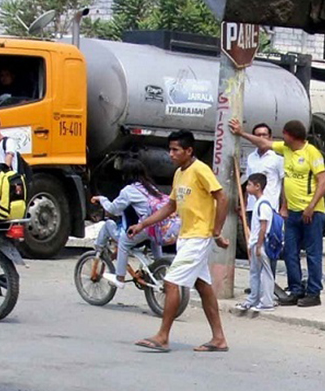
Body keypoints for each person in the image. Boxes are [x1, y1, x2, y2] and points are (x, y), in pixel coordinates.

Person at [128, 130, 230, 353]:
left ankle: (163, 336)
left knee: (171, 282)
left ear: (189, 151)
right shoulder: (179, 173)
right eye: (170, 149)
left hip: (198, 237)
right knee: (203, 287)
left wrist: (216, 230)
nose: (171, 154)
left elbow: (222, 197)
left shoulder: (200, 169)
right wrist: (143, 224)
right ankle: (219, 338)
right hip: (186, 236)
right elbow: (170, 206)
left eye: (175, 150)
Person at [231, 117, 325, 307]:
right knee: (290, 252)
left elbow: (323, 182)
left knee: (312, 253)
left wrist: (310, 207)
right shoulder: (285, 149)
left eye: (285, 135)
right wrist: (241, 133)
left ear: (292, 136)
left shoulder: (312, 153)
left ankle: (314, 292)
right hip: (292, 212)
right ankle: (295, 289)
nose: (282, 138)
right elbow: (263, 142)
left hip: (312, 212)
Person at [91, 157, 165, 288]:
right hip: (158, 226)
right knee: (154, 238)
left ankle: (119, 278)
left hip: (144, 227)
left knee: (122, 241)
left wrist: (102, 199)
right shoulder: (150, 188)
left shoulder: (129, 190)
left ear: (126, 175)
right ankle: (160, 269)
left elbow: (113, 209)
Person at [236, 173, 276, 314]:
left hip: (261, 244)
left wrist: (259, 245)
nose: (247, 188)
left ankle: (266, 301)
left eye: (249, 185)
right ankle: (253, 298)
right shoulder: (259, 203)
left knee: (265, 272)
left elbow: (263, 227)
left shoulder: (264, 204)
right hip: (255, 243)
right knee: (254, 272)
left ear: (258, 186)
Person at [243, 123, 284, 217]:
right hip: (251, 208)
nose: (261, 138)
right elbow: (249, 182)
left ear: (270, 138)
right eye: (258, 135)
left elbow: (284, 185)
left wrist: (284, 207)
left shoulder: (278, 159)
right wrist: (244, 205)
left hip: (269, 207)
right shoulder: (250, 158)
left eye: (264, 135)